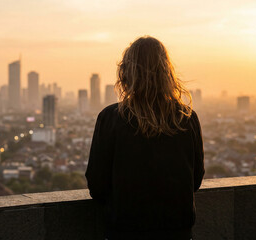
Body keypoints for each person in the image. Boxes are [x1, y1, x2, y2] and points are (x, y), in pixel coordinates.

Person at [85, 36, 204, 240]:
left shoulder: (111, 118)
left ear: (126, 72)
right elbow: (195, 179)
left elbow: (97, 185)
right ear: (167, 73)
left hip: (125, 232)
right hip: (177, 233)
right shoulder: (186, 118)